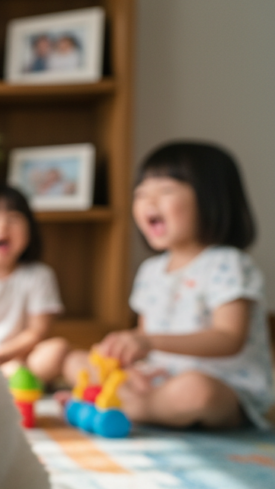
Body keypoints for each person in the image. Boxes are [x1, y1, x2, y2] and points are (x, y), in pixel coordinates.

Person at [63, 142, 273, 429]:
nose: (149, 202)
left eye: (165, 191)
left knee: (197, 392)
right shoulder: (151, 270)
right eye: (140, 194)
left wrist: (149, 341)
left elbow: (229, 337)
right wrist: (126, 357)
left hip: (224, 388)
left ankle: (126, 407)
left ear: (210, 199)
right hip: (160, 379)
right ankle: (124, 401)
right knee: (77, 360)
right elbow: (144, 336)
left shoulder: (229, 263)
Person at [0, 185, 69, 383]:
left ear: (29, 230)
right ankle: (5, 381)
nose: (2, 227)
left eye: (13, 219)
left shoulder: (39, 275)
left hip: (18, 356)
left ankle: (2, 380)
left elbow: (36, 331)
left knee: (58, 349)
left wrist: (0, 355)